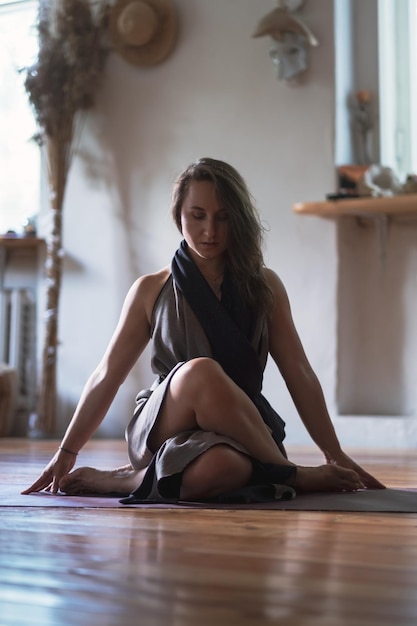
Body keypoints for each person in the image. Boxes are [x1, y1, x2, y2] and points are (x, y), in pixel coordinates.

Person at [22, 158, 384, 503]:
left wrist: (334, 453)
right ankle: (290, 473)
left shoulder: (265, 287)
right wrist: (67, 450)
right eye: (197, 216)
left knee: (224, 469)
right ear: (178, 215)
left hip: (241, 428)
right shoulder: (150, 289)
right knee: (201, 370)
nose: (209, 230)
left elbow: (299, 372)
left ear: (238, 221)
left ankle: (129, 480)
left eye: (222, 218)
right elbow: (107, 375)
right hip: (164, 423)